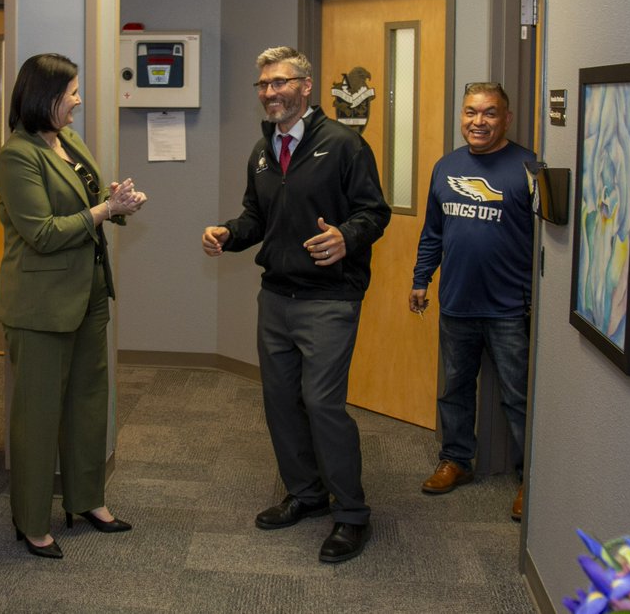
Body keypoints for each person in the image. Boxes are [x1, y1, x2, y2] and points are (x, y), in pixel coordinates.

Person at [203, 46, 390, 563]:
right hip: (276, 298)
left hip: (329, 298)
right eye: (262, 85)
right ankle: (306, 494)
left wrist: (346, 238)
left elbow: (374, 212)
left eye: (279, 83)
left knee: (323, 404)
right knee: (281, 402)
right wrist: (229, 233)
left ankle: (351, 514)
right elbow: (256, 218)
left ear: (306, 87)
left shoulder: (346, 145)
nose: (269, 93)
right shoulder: (263, 151)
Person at [0, 53, 147, 559]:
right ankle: (32, 521)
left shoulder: (68, 142)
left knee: (87, 403)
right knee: (37, 417)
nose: (79, 101)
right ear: (45, 97)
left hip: (88, 296)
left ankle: (87, 501)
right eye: (72, 93)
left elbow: (89, 197)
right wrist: (105, 210)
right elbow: (39, 233)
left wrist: (115, 199)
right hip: (39, 308)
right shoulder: (17, 156)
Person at [409, 82, 534, 521]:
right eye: (470, 112)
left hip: (508, 308)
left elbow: (545, 245)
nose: (478, 122)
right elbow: (433, 232)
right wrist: (421, 278)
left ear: (506, 118)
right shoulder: (446, 167)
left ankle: (530, 480)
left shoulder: (527, 168)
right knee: (455, 389)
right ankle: (456, 461)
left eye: (489, 113)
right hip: (457, 302)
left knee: (518, 396)